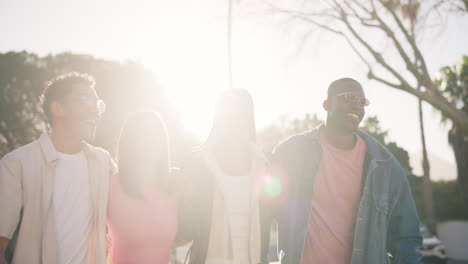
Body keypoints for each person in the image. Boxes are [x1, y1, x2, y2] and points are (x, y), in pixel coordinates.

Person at [265, 78, 422, 264]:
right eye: (349, 98)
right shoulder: (291, 152)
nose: (357, 106)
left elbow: (406, 238)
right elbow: (263, 211)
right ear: (327, 104)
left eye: (362, 102)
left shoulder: (386, 166)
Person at [0, 72, 116, 264]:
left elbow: (134, 193)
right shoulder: (16, 164)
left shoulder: (103, 161)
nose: (95, 111)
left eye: (98, 105)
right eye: (85, 101)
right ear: (58, 108)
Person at [179, 89, 269, 264]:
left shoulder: (263, 165)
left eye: (241, 112)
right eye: (229, 112)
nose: (235, 119)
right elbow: (182, 223)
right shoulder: (197, 163)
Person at [106, 111, 179, 264]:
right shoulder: (109, 185)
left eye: (156, 133)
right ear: (129, 140)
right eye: (144, 133)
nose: (152, 139)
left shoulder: (175, 185)